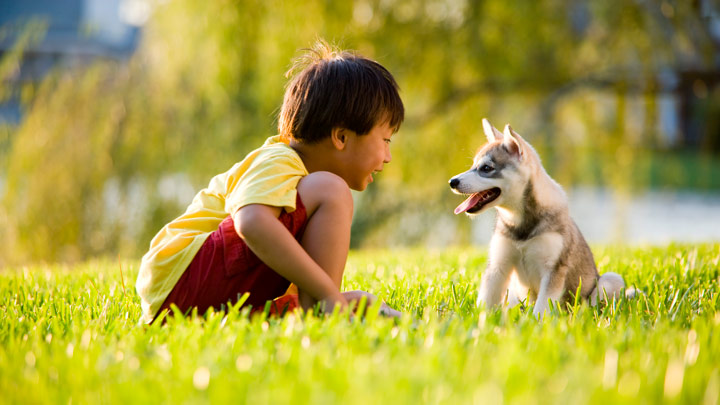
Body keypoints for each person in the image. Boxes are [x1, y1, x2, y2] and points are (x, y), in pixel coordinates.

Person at [135, 40, 404, 324]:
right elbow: (250, 222)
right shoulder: (280, 159)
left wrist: (332, 297)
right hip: (182, 280)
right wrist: (329, 296)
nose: (387, 157)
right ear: (341, 137)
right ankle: (326, 310)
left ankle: (319, 313)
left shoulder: (301, 191)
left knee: (344, 296)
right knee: (332, 190)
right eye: (385, 140)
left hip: (187, 303)